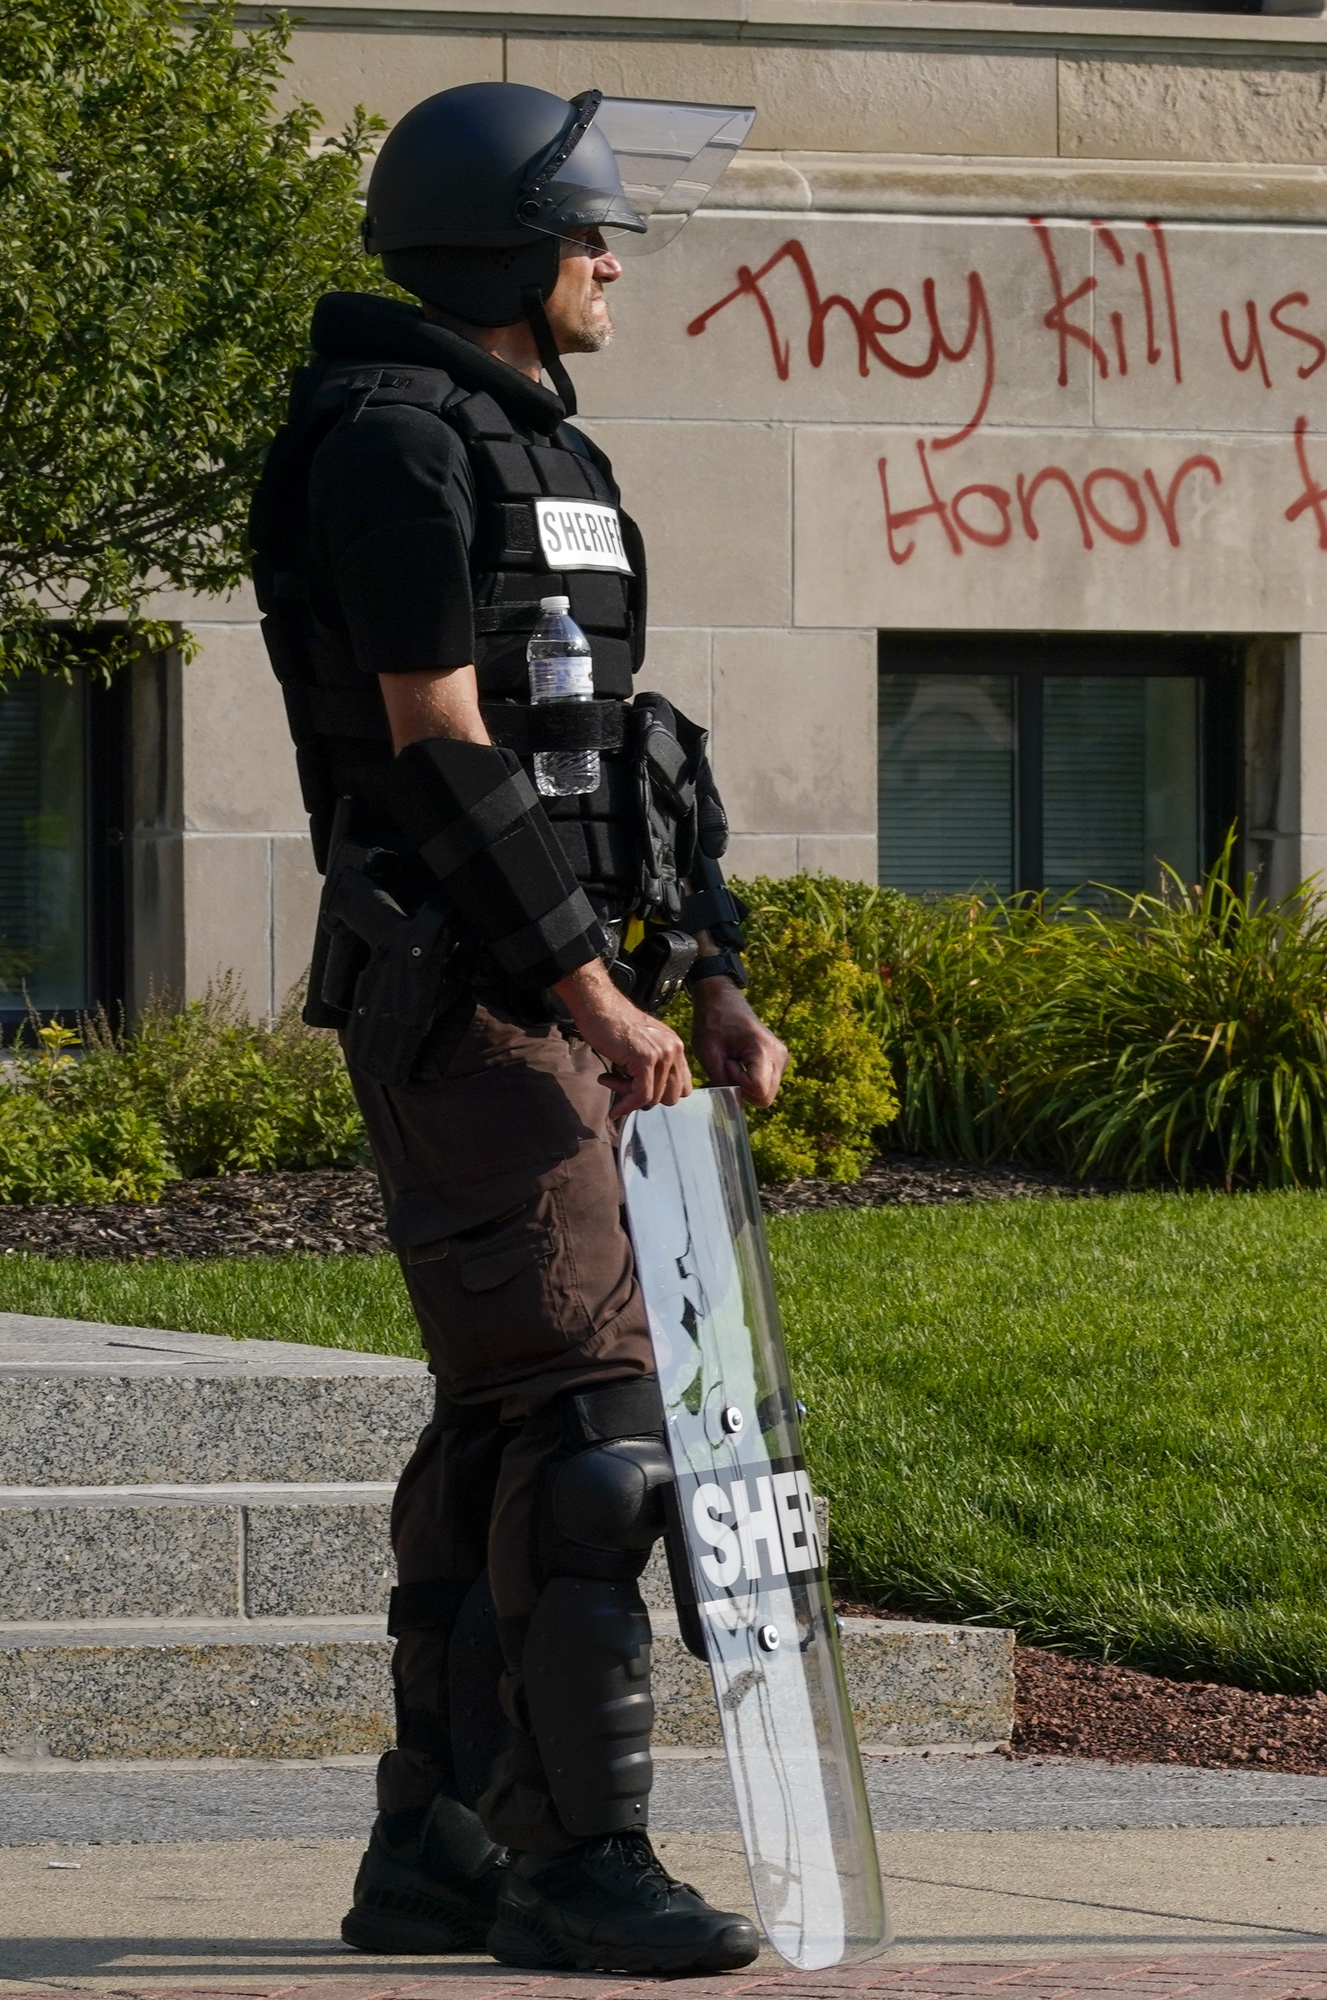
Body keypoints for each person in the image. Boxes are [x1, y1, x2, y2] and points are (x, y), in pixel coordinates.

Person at [246, 80, 784, 1976]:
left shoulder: (535, 444)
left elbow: (617, 749)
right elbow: (440, 750)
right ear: (504, 250)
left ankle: (439, 1852)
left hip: (572, 1002)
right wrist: (589, 991)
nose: (613, 257)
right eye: (587, 233)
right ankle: (577, 1866)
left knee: (511, 1434)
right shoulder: (391, 441)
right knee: (593, 1440)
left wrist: (708, 965)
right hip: (469, 1011)